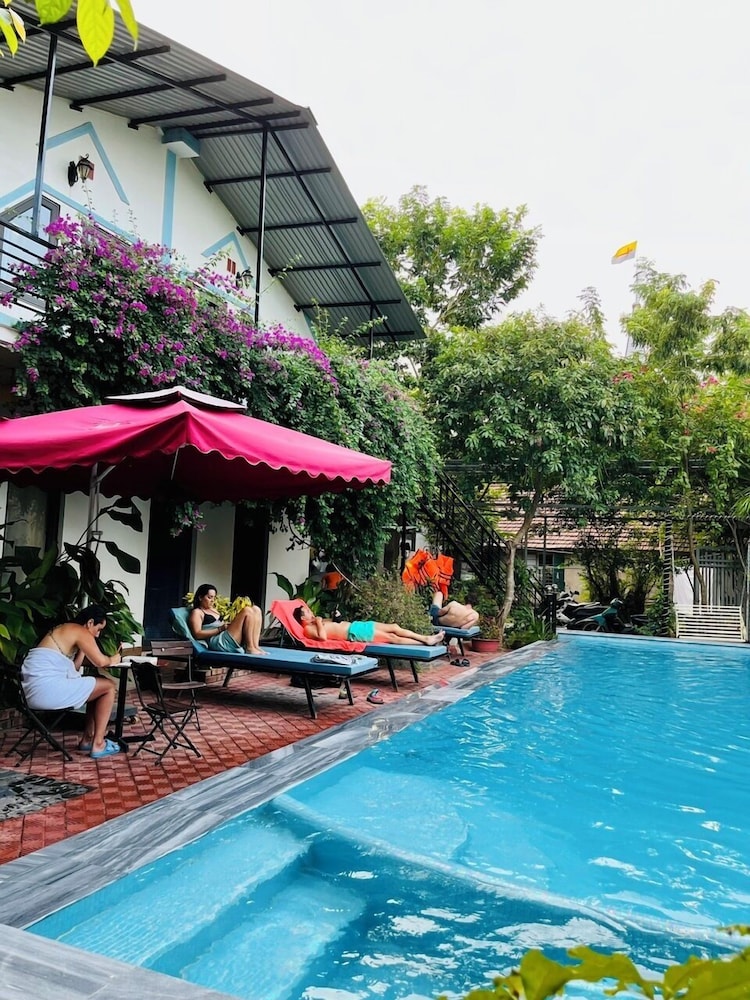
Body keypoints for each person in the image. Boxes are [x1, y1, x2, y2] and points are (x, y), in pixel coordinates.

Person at [20, 605, 122, 760]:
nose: (98, 634)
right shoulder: (80, 631)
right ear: (90, 623)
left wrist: (83, 650)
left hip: (32, 693)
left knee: (97, 687)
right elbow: (101, 662)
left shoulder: (65, 629)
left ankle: (88, 739)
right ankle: (98, 744)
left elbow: (73, 668)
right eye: (98, 629)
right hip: (46, 691)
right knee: (109, 686)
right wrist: (114, 659)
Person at [293, 605, 445, 646]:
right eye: (308, 612)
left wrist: (336, 617)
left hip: (356, 626)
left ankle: (425, 638)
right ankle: (425, 641)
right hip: (354, 634)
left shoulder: (315, 622)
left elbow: (336, 624)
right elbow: (322, 637)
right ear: (302, 618)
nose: (311, 612)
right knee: (392, 637)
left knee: (394, 627)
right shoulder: (307, 629)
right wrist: (319, 622)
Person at [189, 583, 265, 655]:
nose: (212, 600)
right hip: (218, 641)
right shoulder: (197, 612)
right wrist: (219, 629)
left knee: (256, 609)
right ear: (200, 598)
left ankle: (255, 646)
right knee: (247, 610)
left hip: (224, 634)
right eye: (209, 597)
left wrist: (228, 625)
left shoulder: (213, 610)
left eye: (214, 598)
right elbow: (197, 634)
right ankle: (250, 647)